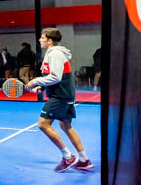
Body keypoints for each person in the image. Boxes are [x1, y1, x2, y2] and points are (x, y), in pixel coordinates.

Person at [27, 28, 92, 172]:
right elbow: (55, 76)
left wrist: (35, 81)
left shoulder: (55, 54)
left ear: (50, 41)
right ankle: (84, 160)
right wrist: (42, 87)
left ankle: (68, 156)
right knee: (66, 126)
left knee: (43, 124)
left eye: (42, 37)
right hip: (65, 94)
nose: (40, 40)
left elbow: (56, 77)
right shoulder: (54, 53)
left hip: (60, 96)